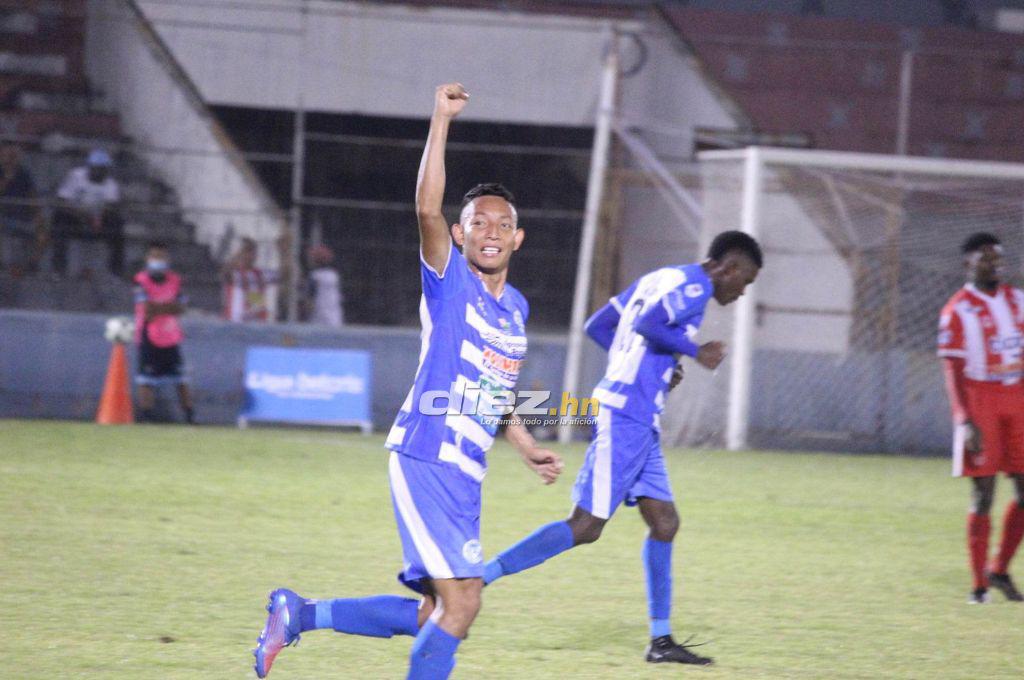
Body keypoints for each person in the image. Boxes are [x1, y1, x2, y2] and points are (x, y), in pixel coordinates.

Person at [252, 83, 563, 679]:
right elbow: (426, 208)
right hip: (427, 454)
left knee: (433, 614)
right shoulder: (450, 281)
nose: (490, 230)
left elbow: (495, 390)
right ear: (461, 234)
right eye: (477, 222)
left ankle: (297, 615)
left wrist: (523, 444)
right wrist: (440, 120)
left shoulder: (516, 308)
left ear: (518, 238)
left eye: (503, 223)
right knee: (464, 603)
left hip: (467, 472)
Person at [482, 230, 763, 666]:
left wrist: (652, 360)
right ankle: (476, 578)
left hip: (639, 417)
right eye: (744, 283)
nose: (742, 293)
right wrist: (692, 350)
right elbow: (650, 325)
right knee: (585, 525)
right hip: (626, 413)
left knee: (665, 522)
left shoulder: (662, 277)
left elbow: (600, 325)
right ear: (730, 269)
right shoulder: (695, 288)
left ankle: (660, 641)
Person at [938, 232, 1024, 604]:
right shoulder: (956, 309)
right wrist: (963, 418)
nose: (994, 264)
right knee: (983, 492)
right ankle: (978, 586)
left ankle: (1000, 569)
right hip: (980, 399)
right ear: (967, 264)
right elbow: (952, 367)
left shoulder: (1018, 300)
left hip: (1017, 396)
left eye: (998, 257)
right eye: (985, 258)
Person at [133, 242, 194, 424]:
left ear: (167, 260)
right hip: (148, 336)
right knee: (146, 380)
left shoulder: (175, 280)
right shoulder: (140, 280)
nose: (158, 261)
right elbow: (148, 311)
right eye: (154, 257)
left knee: (181, 379)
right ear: (148, 259)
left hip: (171, 335)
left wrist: (160, 307)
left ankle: (189, 415)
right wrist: (169, 307)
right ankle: (146, 416)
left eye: (161, 257)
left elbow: (181, 308)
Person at [53, 148, 124, 277]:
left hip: (97, 220)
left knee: (117, 224)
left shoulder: (111, 184)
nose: (99, 172)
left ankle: (116, 267)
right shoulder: (75, 175)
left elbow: (111, 206)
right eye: (97, 168)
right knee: (59, 219)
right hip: (75, 217)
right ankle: (58, 265)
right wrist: (81, 215)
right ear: (90, 167)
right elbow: (62, 200)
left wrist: (98, 217)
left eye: (103, 169)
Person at [0, 142, 44, 274]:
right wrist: (7, 175)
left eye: (14, 155)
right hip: (3, 213)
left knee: (43, 231)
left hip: (21, 214)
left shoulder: (24, 174)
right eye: (8, 154)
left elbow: (32, 196)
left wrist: (38, 215)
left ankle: (32, 264)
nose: (11, 158)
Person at [222, 236, 279, 322]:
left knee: (257, 300)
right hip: (232, 324)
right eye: (246, 251)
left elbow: (285, 275)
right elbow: (225, 272)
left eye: (252, 252)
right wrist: (237, 255)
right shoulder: (234, 273)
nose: (250, 255)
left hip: (254, 325)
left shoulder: (260, 274)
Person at [304, 243, 344, 327]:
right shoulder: (334, 276)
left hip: (318, 317)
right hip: (335, 317)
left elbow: (310, 300)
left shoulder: (314, 276)